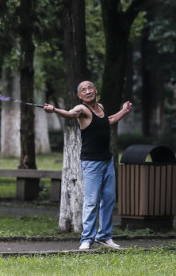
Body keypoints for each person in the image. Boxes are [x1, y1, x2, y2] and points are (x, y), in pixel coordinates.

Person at [44, 81, 133, 250]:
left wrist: (124, 110)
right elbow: (70, 114)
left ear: (95, 90)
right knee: (91, 202)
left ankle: (105, 237)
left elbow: (110, 120)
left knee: (108, 199)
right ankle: (87, 239)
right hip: (91, 163)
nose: (87, 91)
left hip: (107, 162)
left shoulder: (100, 106)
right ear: (80, 96)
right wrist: (54, 110)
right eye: (83, 90)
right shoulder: (82, 110)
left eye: (90, 88)